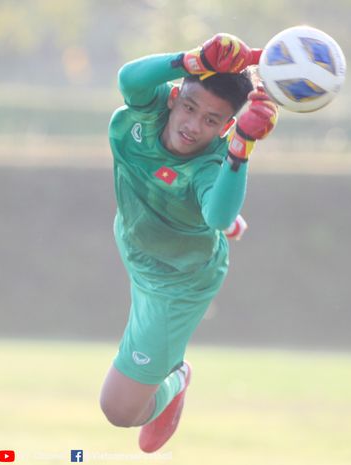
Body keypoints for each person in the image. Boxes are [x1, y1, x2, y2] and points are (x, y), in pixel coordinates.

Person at [99, 33, 278, 453]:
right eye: (190, 108)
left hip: (179, 283)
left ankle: (176, 381)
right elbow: (130, 77)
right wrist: (191, 58)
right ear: (175, 96)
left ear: (227, 126)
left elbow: (217, 217)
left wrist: (241, 150)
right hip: (135, 243)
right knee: (120, 405)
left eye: (213, 121)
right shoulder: (144, 113)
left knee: (118, 410)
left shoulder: (210, 161)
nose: (194, 125)